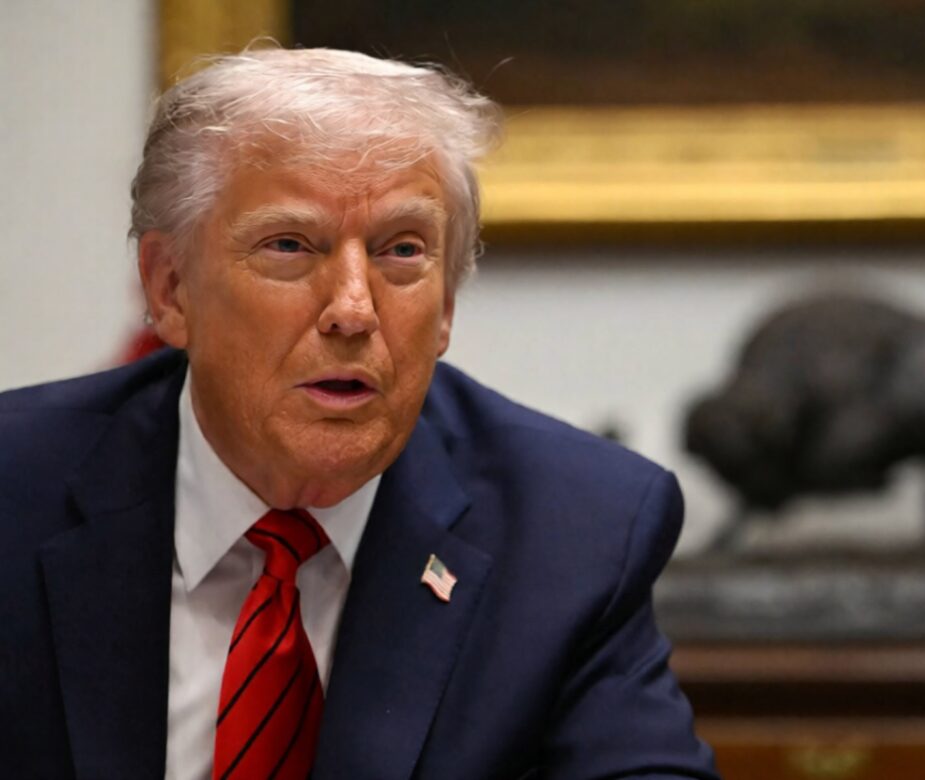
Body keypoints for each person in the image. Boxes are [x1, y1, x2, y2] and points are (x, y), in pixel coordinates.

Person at [0, 47, 719, 779]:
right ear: (171, 289)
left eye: (401, 251)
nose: (353, 309)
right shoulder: (13, 491)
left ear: (444, 306)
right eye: (290, 246)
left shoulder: (574, 532)